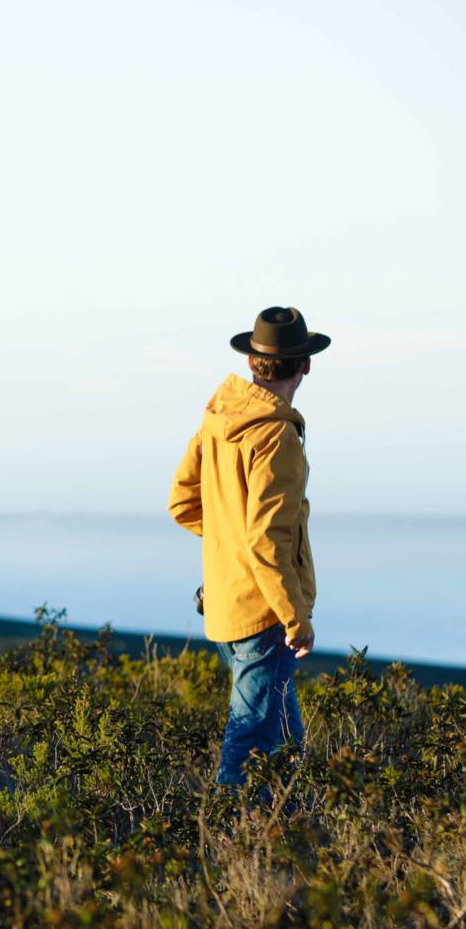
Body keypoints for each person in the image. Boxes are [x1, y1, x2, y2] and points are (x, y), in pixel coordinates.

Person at [168, 306, 328, 787]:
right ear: (305, 364)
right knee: (246, 743)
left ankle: (294, 837)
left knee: (285, 744)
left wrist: (231, 546)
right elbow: (267, 540)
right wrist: (295, 619)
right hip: (262, 614)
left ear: (253, 362)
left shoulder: (218, 419)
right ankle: (220, 844)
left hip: (223, 604)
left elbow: (182, 503)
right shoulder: (276, 435)